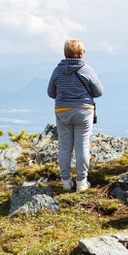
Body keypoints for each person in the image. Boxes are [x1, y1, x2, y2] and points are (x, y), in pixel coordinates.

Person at [47, 38, 104, 191]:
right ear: (80, 54)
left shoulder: (57, 70)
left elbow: (50, 92)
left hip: (62, 111)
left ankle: (66, 182)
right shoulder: (87, 69)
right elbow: (99, 92)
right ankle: (81, 182)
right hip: (84, 110)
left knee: (64, 146)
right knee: (82, 146)